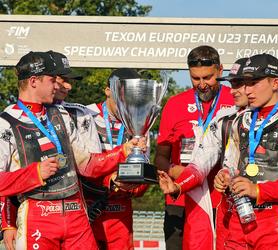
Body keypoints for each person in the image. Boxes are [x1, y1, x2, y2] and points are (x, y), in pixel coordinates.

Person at [0, 51, 144, 250]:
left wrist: (124, 151)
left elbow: (86, 165)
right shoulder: (6, 122)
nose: (59, 86)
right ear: (34, 81)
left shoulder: (61, 114)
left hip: (76, 213)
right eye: (53, 80)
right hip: (38, 214)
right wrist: (34, 174)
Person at [158, 58, 249, 250]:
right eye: (195, 78)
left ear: (219, 71)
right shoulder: (177, 104)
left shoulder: (235, 102)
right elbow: (163, 157)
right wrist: (176, 177)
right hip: (184, 197)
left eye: (207, 77)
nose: (201, 84)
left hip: (227, 199)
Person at [214, 53, 278, 249]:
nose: (247, 90)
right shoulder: (239, 120)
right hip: (238, 217)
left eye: (254, 83)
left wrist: (258, 190)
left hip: (276, 222)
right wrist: (224, 175)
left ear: (275, 83)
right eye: (245, 83)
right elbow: (230, 166)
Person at [84, 68, 148, 249]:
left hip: (121, 211)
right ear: (108, 90)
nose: (128, 102)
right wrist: (109, 181)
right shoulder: (85, 115)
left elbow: (144, 169)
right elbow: (81, 166)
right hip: (89, 208)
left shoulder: (140, 121)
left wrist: (134, 186)